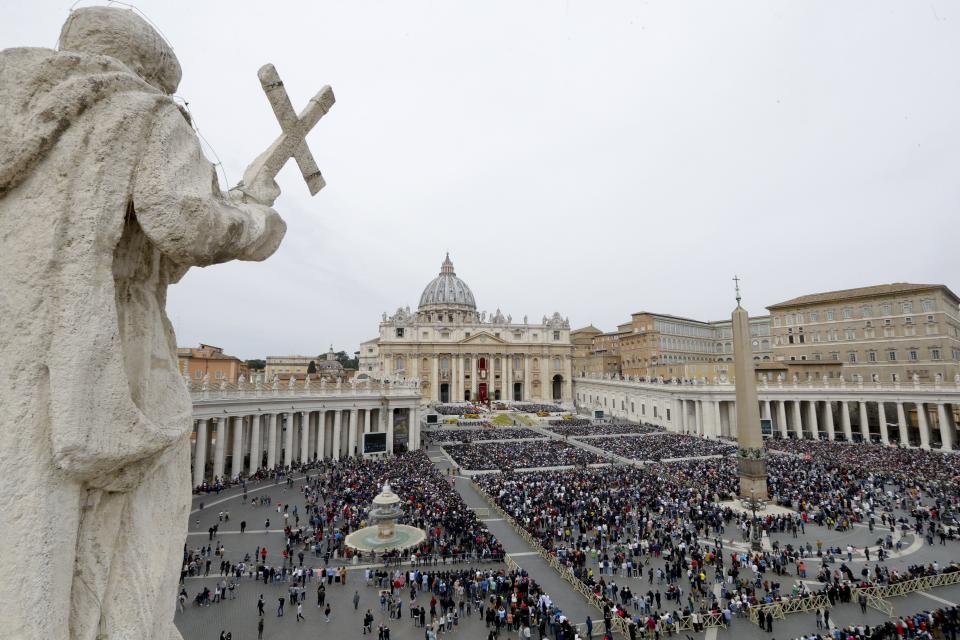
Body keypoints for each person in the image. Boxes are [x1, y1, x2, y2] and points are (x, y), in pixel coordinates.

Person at [0, 7, 286, 638]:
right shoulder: (141, 111)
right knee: (135, 523)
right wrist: (255, 210)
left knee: (24, 524)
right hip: (104, 340)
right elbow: (188, 228)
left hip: (16, 336)